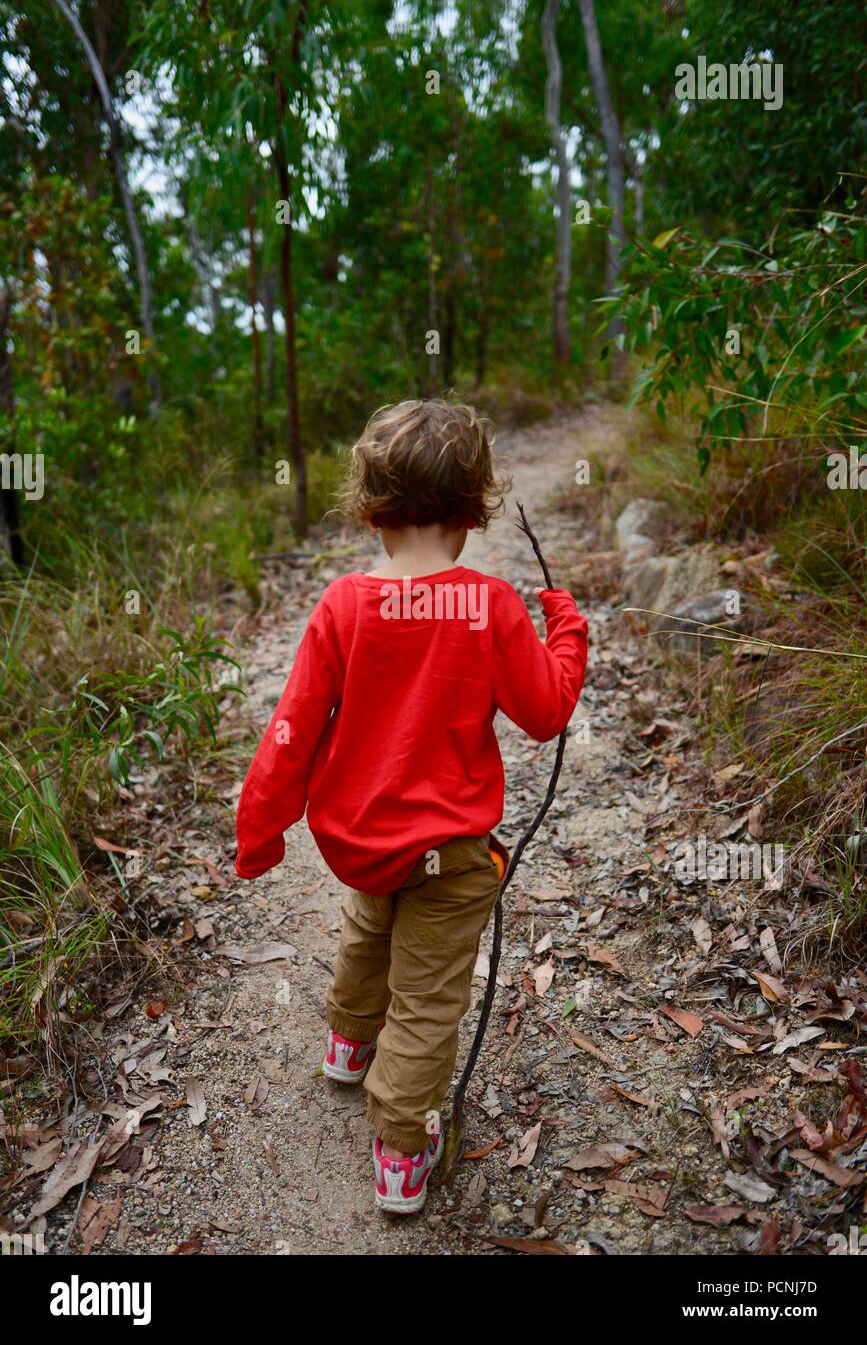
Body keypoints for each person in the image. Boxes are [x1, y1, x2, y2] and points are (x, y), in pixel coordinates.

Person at [235, 398, 588, 1213]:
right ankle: (400, 1149)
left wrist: (260, 831)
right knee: (428, 999)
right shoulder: (491, 606)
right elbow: (546, 712)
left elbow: (290, 729)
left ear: (368, 508)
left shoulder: (342, 606)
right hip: (449, 852)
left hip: (363, 838)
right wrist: (565, 630)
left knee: (368, 926)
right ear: (474, 508)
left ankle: (347, 1044)